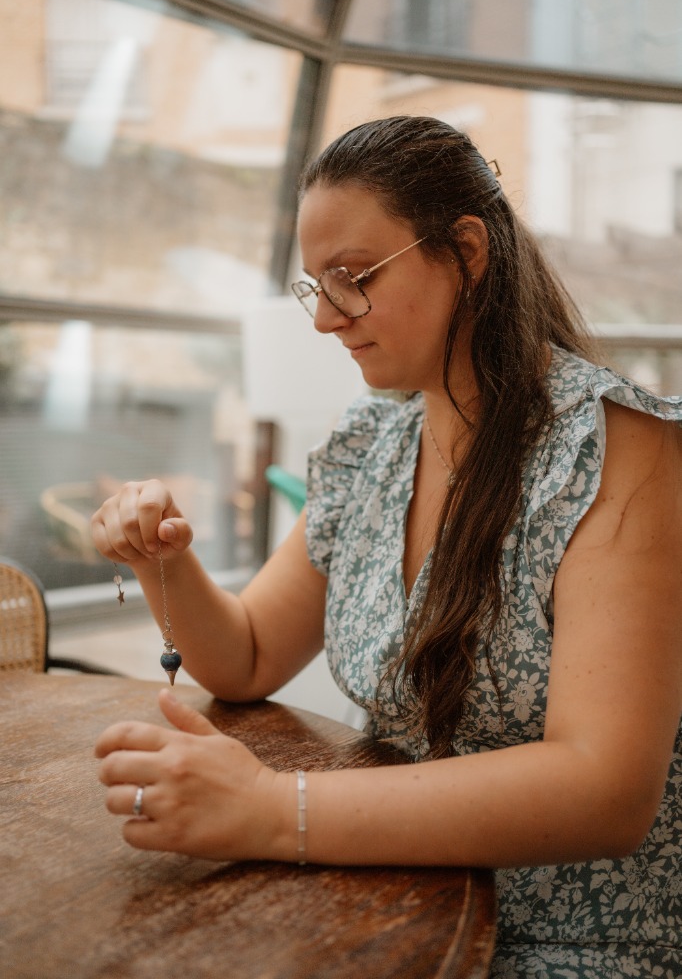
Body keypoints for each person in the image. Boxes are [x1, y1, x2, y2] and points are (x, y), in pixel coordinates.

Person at [92, 115, 682, 979]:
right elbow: (250, 655)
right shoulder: (377, 441)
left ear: (468, 253)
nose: (327, 319)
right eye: (314, 287)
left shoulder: (623, 452)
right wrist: (163, 559)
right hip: (387, 901)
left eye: (353, 278)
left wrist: (270, 808)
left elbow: (604, 791)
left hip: (568, 947)